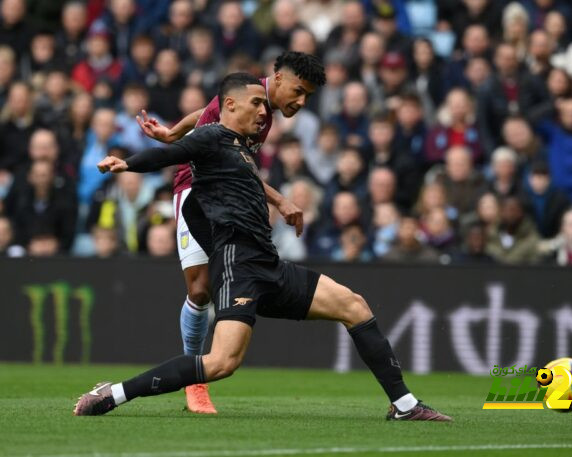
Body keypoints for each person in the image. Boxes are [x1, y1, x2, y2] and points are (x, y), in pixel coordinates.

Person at [76, 73, 451, 423]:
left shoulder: (241, 151)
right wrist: (128, 163)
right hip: (238, 267)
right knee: (222, 362)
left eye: (263, 104)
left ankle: (404, 405)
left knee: (354, 306)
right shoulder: (212, 138)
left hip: (269, 266)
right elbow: (166, 155)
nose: (262, 111)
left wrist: (281, 201)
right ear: (230, 106)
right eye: (255, 103)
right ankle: (114, 393)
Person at [135, 52, 325, 414]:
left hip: (232, 195)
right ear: (278, 79)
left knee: (226, 279)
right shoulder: (247, 96)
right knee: (200, 288)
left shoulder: (258, 108)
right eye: (298, 92)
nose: (301, 102)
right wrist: (281, 200)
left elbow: (210, 117)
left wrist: (175, 130)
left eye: (308, 97)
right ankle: (194, 382)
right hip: (195, 190)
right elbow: (215, 130)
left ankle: (200, 372)